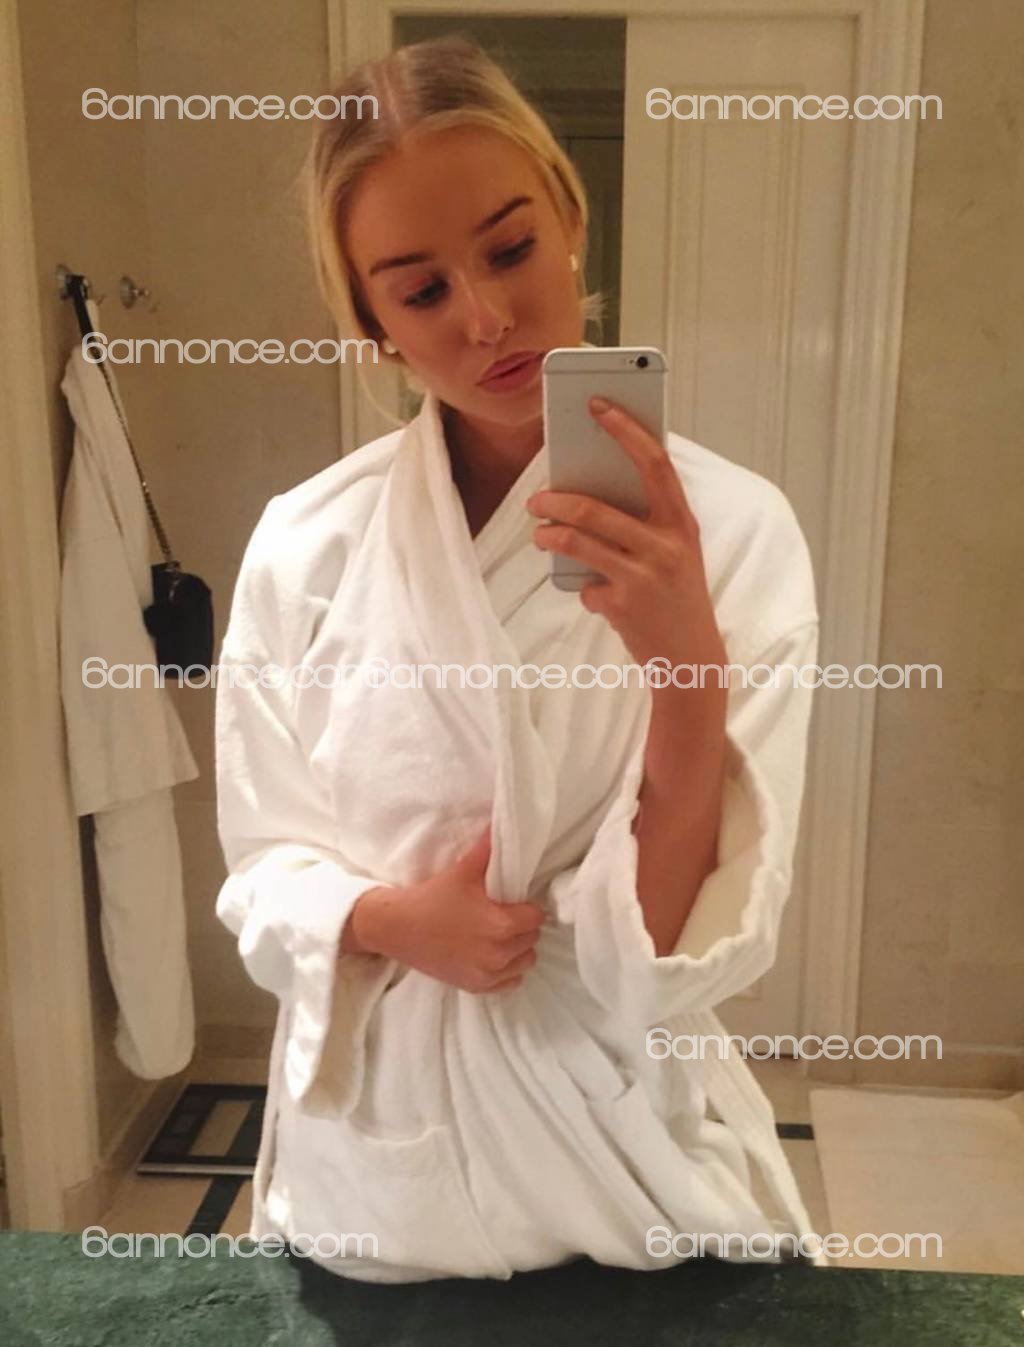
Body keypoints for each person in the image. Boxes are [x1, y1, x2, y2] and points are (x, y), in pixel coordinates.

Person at [214, 35, 824, 1282]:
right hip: (381, 1184)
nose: (485, 318)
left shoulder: (737, 535)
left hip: (629, 1163)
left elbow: (679, 944)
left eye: (509, 250)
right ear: (372, 324)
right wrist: (390, 920)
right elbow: (263, 864)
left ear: (569, 221)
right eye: (420, 291)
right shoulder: (305, 545)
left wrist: (686, 674)